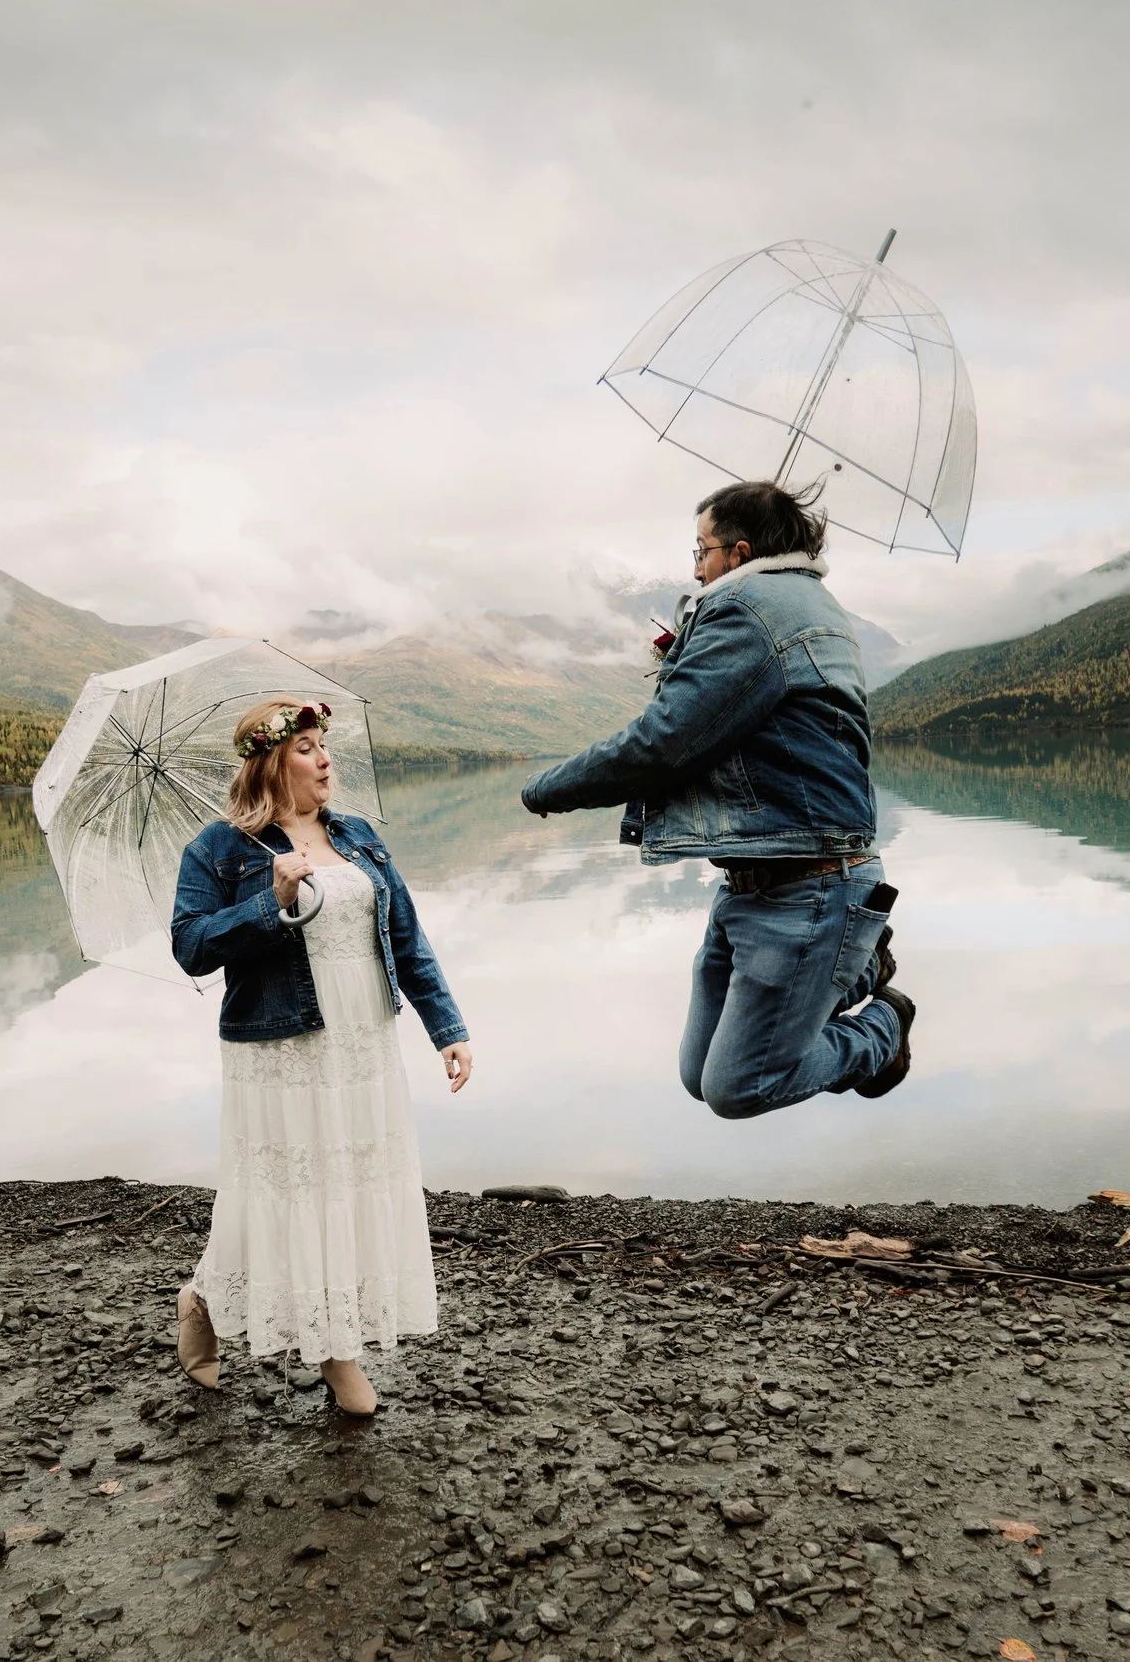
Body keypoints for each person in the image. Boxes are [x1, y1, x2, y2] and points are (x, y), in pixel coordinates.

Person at [522, 480, 913, 1116]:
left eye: (700, 551)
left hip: (809, 885)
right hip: (755, 882)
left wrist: (549, 788)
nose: (695, 567)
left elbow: (663, 742)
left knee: (739, 1087)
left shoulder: (754, 609)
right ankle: (862, 967)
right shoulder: (799, 600)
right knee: (698, 1072)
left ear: (737, 551)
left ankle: (881, 1028)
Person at [168, 695, 473, 1415]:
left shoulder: (359, 836)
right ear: (271, 763)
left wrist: (447, 1028)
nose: (324, 757)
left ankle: (206, 1299)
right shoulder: (219, 848)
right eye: (306, 747)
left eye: (324, 744)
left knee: (351, 1180)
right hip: (282, 1047)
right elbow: (189, 946)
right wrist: (266, 903)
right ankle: (337, 1355)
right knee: (290, 1189)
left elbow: (406, 939)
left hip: (363, 1039)